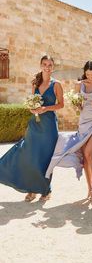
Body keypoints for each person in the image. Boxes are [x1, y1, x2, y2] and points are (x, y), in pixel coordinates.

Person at [0, 55, 64, 201]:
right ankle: (31, 189)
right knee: (30, 156)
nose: (47, 67)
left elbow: (61, 104)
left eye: (50, 65)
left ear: (53, 67)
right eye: (44, 64)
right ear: (40, 65)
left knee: (45, 158)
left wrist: (45, 108)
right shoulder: (35, 83)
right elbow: (31, 103)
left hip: (48, 127)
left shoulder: (57, 85)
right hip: (34, 124)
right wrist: (33, 109)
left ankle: (45, 191)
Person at [45, 61, 92, 200]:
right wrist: (77, 104)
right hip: (84, 123)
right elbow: (77, 107)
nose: (91, 77)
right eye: (88, 74)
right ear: (85, 72)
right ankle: (90, 189)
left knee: (89, 153)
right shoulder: (79, 85)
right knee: (85, 155)